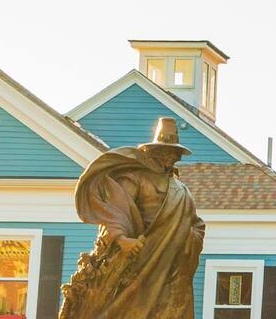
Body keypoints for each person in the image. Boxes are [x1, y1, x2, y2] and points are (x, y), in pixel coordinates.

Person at [59, 117, 206, 318]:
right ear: (155, 151)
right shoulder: (135, 178)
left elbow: (196, 223)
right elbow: (115, 210)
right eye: (167, 151)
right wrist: (122, 239)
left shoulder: (181, 189)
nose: (172, 156)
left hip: (172, 267)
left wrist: (189, 239)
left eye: (175, 152)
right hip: (140, 263)